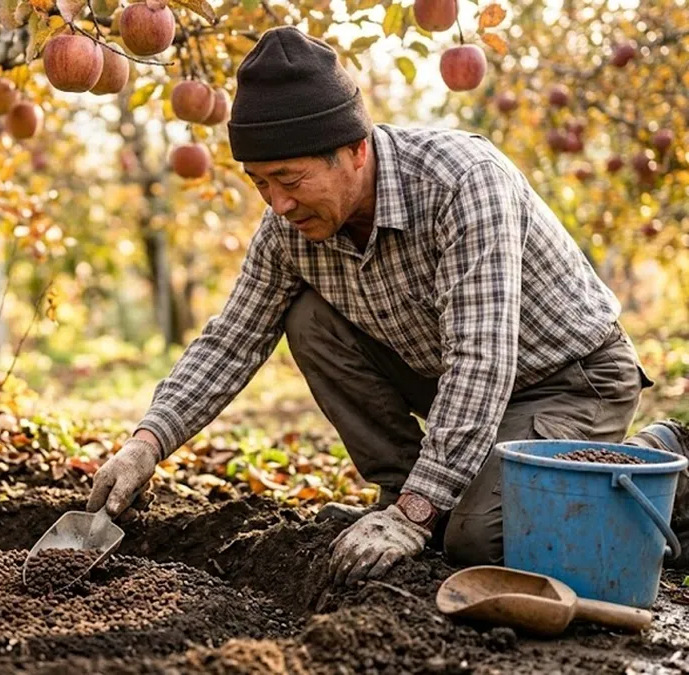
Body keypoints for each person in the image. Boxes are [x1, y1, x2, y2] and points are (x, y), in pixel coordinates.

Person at [86, 25, 689, 584]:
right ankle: (406, 491)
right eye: (260, 183)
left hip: (568, 380)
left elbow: (481, 359)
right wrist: (148, 441)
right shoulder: (288, 234)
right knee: (308, 318)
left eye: (290, 180)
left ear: (354, 150)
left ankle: (654, 464)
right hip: (450, 375)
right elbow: (231, 340)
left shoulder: (463, 183)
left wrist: (420, 512)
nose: (278, 205)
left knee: (479, 541)